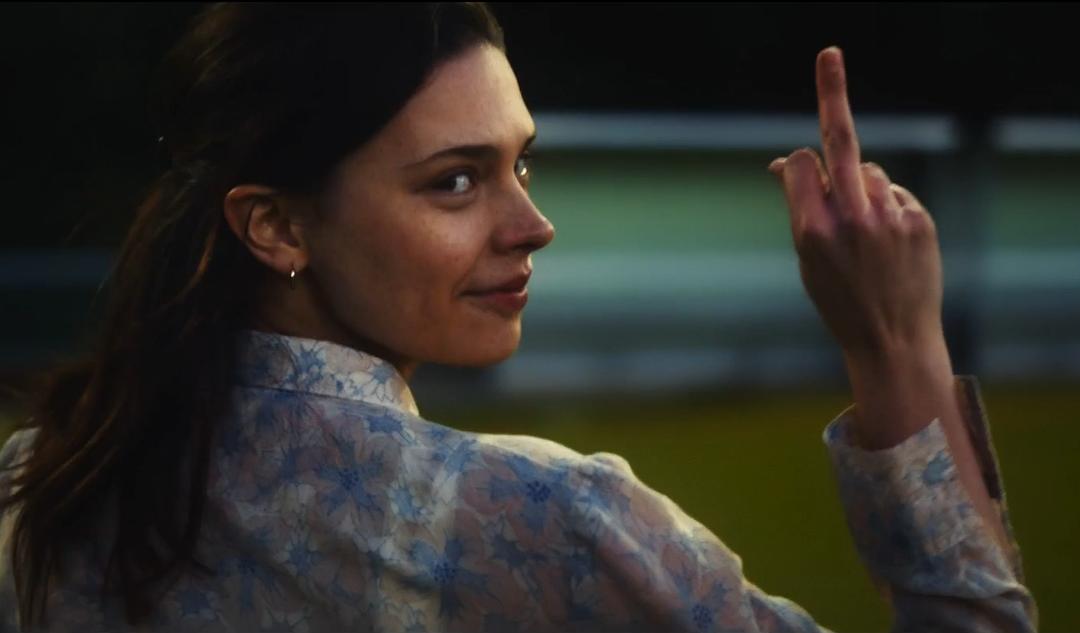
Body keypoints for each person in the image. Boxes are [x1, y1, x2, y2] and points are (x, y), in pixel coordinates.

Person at [0, 3, 1036, 631]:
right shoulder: (544, 525)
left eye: (519, 164)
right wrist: (897, 342)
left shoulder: (39, 488)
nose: (533, 226)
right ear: (274, 226)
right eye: (455, 181)